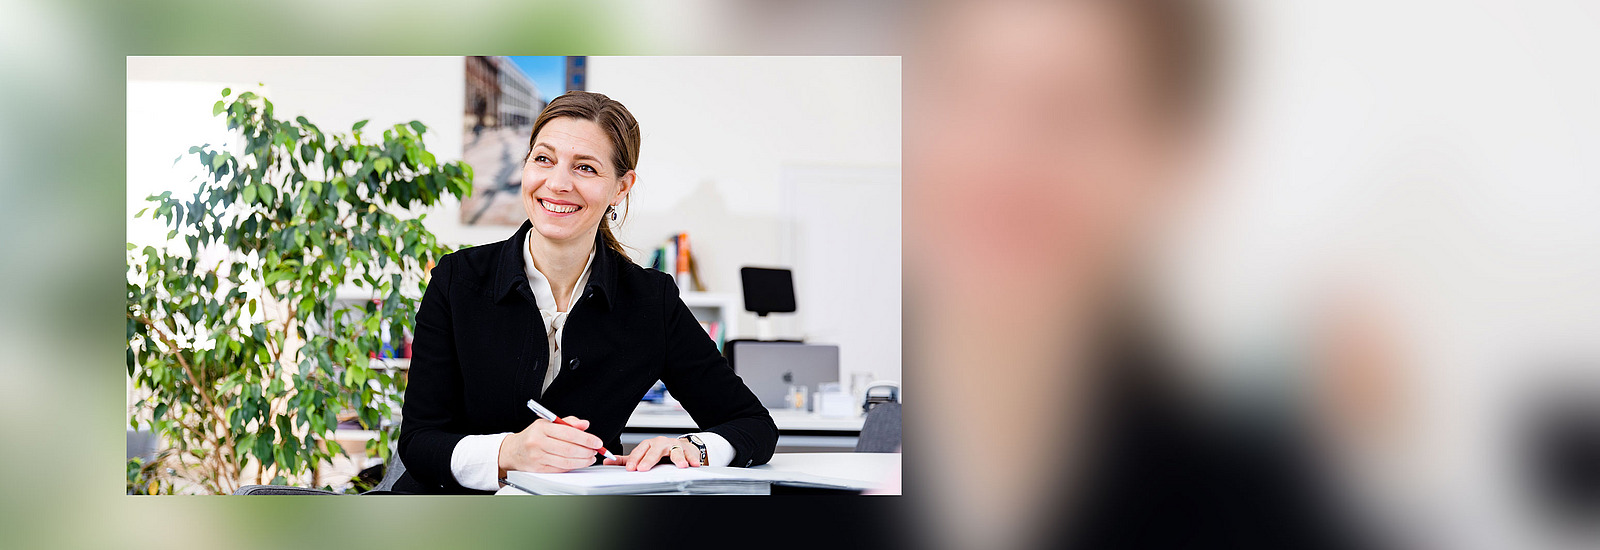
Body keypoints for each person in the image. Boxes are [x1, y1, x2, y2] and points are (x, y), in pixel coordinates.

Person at [395, 91, 778, 494]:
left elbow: (754, 427)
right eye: (543, 159)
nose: (558, 183)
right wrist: (508, 452)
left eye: (585, 168)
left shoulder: (650, 299)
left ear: (620, 187)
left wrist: (693, 448)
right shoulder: (458, 279)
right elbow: (419, 442)